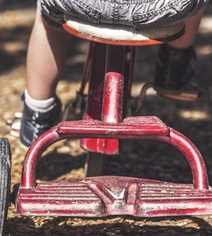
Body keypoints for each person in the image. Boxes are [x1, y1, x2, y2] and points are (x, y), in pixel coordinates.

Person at [19, 0, 208, 147]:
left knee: (47, 14)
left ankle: (38, 112)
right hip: (163, 8)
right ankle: (173, 72)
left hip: (80, 4)